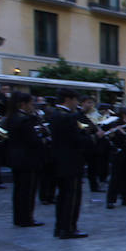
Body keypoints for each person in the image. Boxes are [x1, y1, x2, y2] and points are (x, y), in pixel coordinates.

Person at [47, 89, 89, 239]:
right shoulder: (68, 117)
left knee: (63, 196)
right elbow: (76, 139)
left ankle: (60, 227)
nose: (77, 103)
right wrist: (92, 137)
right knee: (72, 197)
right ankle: (69, 228)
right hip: (71, 161)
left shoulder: (55, 114)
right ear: (68, 99)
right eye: (76, 100)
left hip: (59, 160)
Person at [5, 92, 46, 226]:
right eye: (31, 104)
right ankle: (26, 218)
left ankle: (19, 218)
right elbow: (33, 140)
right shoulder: (24, 120)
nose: (32, 106)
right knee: (28, 190)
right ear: (23, 104)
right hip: (28, 159)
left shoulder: (12, 117)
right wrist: (43, 137)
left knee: (19, 190)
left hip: (16, 158)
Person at [79, 96, 106, 193]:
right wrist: (91, 127)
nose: (91, 105)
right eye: (89, 102)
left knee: (93, 166)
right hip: (83, 143)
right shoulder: (79, 114)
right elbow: (81, 127)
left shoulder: (93, 114)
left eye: (92, 103)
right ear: (82, 103)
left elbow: (98, 123)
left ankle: (94, 186)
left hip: (93, 144)